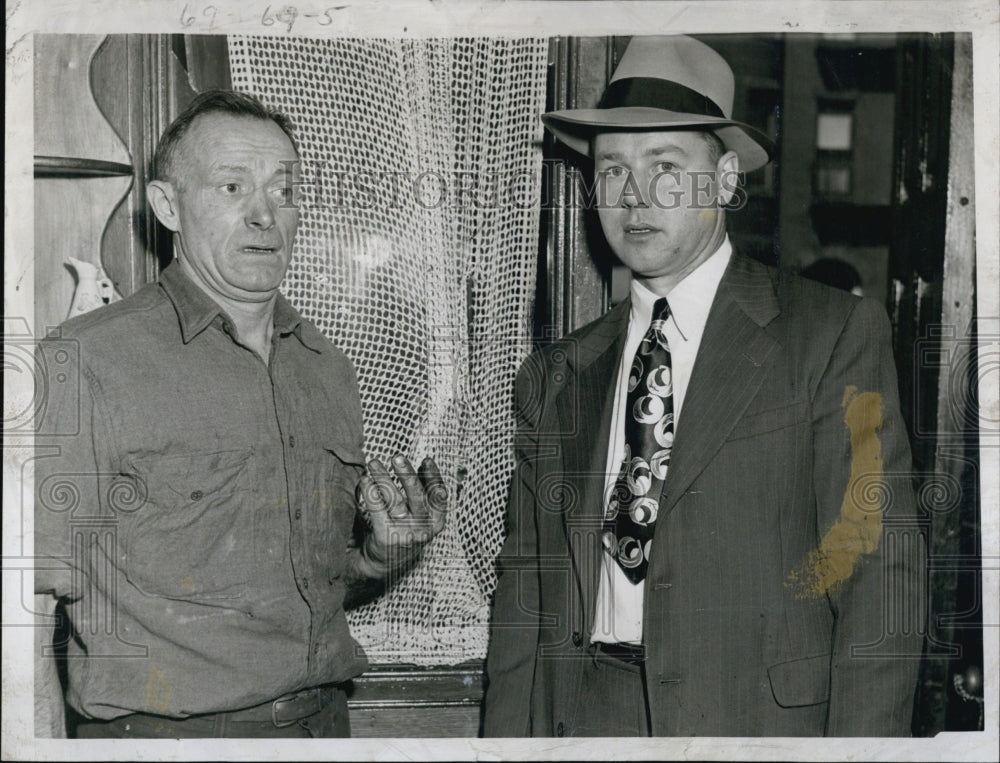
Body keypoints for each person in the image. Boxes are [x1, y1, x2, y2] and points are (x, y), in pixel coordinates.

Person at [483, 36, 924, 737]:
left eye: (666, 167)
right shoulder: (558, 373)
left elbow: (879, 580)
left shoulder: (830, 334)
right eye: (612, 170)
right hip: (585, 718)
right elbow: (524, 601)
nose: (633, 197)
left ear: (722, 181)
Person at [33, 90, 446, 739]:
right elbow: (23, 612)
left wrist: (379, 554)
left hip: (324, 725)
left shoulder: (326, 368)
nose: (265, 216)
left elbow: (321, 585)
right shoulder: (85, 360)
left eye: (284, 190)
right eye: (232, 187)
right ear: (167, 205)